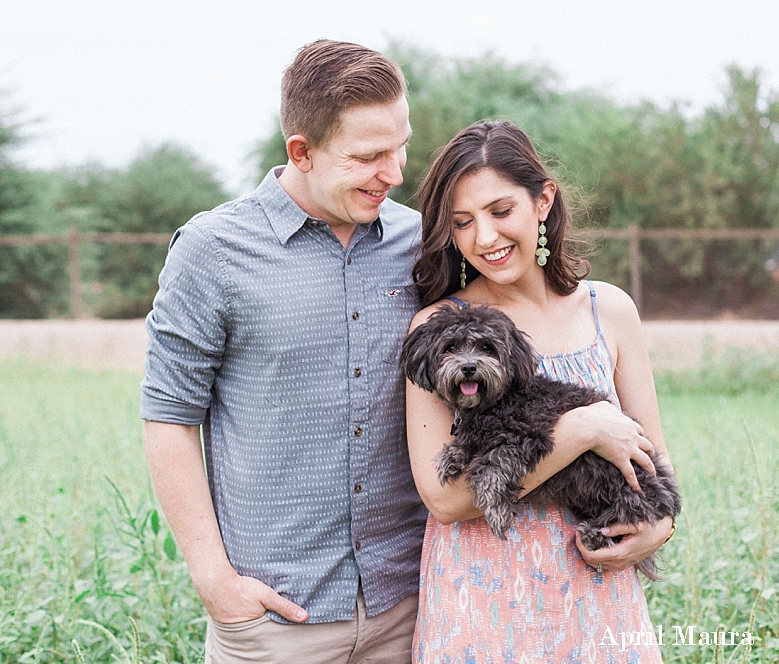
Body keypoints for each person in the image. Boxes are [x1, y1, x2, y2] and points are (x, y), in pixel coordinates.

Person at [140, 40, 427, 662]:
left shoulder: (423, 243)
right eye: (369, 157)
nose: (396, 172)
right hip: (274, 620)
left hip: (412, 606)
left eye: (401, 146)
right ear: (301, 151)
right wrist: (214, 580)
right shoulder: (211, 251)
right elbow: (168, 418)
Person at [406, 120, 677, 662]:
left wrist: (659, 530)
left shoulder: (610, 311)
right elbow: (445, 498)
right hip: (482, 606)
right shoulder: (440, 329)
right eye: (462, 223)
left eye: (501, 211)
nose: (485, 237)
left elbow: (655, 459)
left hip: (598, 603)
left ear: (543, 200)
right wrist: (579, 429)